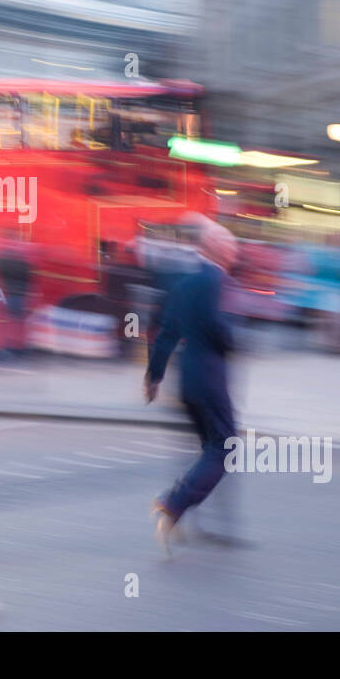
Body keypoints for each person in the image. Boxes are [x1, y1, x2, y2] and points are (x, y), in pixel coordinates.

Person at [143, 215, 239, 555]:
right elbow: (218, 326)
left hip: (188, 381)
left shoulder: (184, 284)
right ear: (218, 250)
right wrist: (233, 341)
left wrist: (153, 376)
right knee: (225, 448)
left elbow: (167, 331)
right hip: (211, 379)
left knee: (208, 452)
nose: (235, 254)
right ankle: (172, 504)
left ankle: (177, 515)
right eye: (231, 247)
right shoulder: (219, 282)